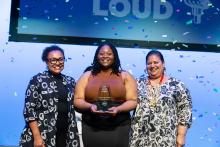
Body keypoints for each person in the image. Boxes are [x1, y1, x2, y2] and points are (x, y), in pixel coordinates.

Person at [74, 42, 137, 147]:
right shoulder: (86, 76)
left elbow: (133, 101)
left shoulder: (125, 76)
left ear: (114, 56)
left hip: (119, 127)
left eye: (109, 53)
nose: (105, 56)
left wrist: (118, 109)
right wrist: (90, 106)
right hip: (91, 127)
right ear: (97, 56)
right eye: (101, 53)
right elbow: (77, 100)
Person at [19, 45, 80, 147]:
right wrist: (37, 137)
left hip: (65, 134)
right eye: (53, 60)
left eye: (61, 59)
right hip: (43, 134)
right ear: (47, 62)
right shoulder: (37, 80)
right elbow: (29, 111)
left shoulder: (70, 81)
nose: (57, 63)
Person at [129, 50, 192, 147]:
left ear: (163, 64)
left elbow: (185, 111)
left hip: (166, 139)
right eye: (149, 63)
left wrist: (181, 135)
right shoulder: (137, 83)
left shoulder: (177, 85)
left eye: (156, 62)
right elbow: (129, 101)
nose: (152, 65)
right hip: (139, 138)